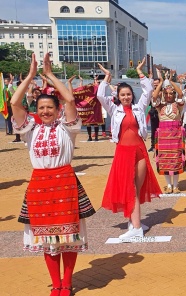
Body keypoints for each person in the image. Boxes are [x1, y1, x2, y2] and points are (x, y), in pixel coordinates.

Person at [12, 53, 95, 296]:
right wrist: (29, 77)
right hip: (40, 185)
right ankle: (55, 284)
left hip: (64, 182)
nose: (45, 111)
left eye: (50, 107)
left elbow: (69, 98)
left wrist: (49, 75)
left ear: (58, 110)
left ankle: (67, 283)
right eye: (41, 108)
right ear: (36, 111)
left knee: (69, 236)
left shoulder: (67, 128)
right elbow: (16, 104)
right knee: (47, 240)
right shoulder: (30, 129)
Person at [97, 60, 162, 240]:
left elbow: (148, 90)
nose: (125, 97)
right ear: (118, 96)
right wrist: (106, 78)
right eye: (122, 94)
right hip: (123, 153)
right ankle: (136, 227)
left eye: (128, 94)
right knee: (130, 188)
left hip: (139, 151)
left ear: (132, 95)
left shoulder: (138, 107)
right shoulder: (114, 109)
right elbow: (100, 96)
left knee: (137, 189)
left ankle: (135, 221)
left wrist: (140, 72)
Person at [152, 72, 186, 193]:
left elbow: (181, 93)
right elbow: (154, 97)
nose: (169, 95)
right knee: (164, 160)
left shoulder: (179, 105)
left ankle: (176, 185)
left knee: (176, 159)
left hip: (176, 136)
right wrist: (161, 82)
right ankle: (169, 185)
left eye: (171, 93)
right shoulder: (160, 106)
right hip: (163, 137)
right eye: (166, 93)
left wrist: (171, 81)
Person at [148, 77, 161, 151]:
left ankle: (160, 144)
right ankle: (153, 145)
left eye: (157, 84)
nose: (155, 85)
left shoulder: (162, 91)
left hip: (160, 112)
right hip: (153, 112)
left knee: (160, 129)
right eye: (154, 84)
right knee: (153, 130)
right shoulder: (151, 91)